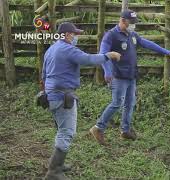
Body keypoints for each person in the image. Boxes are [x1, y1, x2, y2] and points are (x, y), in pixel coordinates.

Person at [42, 22, 121, 180]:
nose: (76, 37)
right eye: (74, 34)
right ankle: (54, 171)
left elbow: (43, 74)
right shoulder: (67, 49)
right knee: (67, 132)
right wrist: (108, 55)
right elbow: (88, 59)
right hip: (62, 96)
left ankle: (58, 164)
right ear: (66, 34)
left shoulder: (51, 49)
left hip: (51, 95)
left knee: (61, 130)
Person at [90, 10, 170, 145]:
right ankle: (98, 128)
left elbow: (146, 43)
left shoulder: (132, 34)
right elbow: (103, 55)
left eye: (134, 23)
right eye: (131, 23)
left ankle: (125, 131)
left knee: (130, 104)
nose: (133, 25)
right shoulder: (111, 36)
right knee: (116, 103)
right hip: (117, 76)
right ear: (123, 20)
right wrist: (107, 71)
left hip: (131, 75)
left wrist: (166, 52)